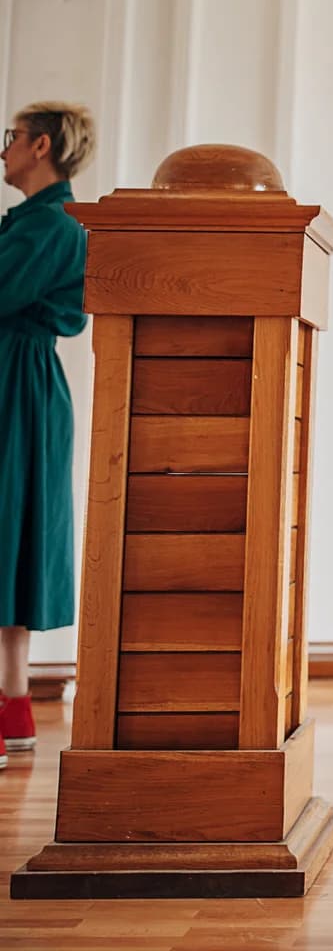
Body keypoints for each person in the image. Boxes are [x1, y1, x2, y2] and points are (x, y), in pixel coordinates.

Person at [0, 101, 95, 768]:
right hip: (18, 382)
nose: (3, 150)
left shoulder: (50, 225)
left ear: (39, 146)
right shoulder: (40, 222)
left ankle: (11, 714)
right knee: (9, 536)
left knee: (12, 533)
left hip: (16, 386)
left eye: (10, 138)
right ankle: (13, 712)